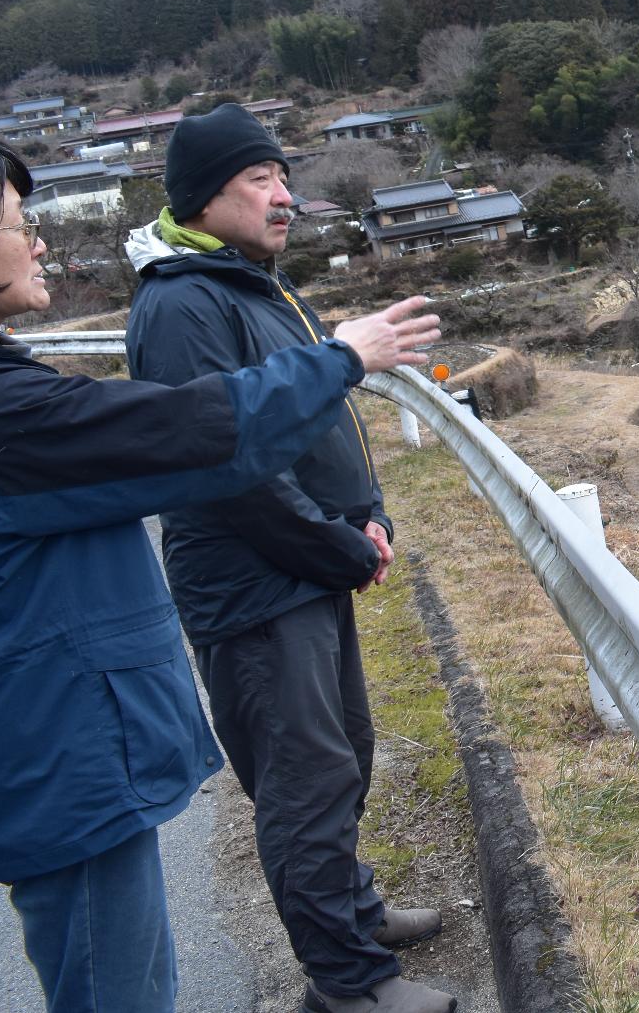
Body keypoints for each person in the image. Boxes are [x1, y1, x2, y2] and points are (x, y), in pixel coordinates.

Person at [0, 128, 441, 1013]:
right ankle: (351, 982)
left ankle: (356, 939)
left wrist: (356, 511)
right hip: (59, 744)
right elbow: (198, 437)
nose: (40, 243)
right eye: (19, 223)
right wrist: (341, 359)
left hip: (51, 738)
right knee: (123, 986)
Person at [124, 104, 453, 1013]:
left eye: (283, 177)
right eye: (259, 179)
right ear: (205, 195)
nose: (285, 197)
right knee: (303, 784)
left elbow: (315, 421)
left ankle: (356, 914)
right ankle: (351, 984)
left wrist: (367, 516)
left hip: (301, 567)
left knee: (342, 753)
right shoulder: (183, 304)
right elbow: (229, 468)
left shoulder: (255, 285)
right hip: (255, 588)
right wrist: (338, 544)